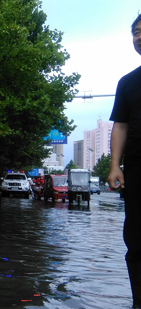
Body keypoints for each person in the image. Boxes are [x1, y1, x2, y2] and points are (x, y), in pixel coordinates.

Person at [108, 14, 141, 308]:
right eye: (135, 32)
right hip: (138, 172)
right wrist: (114, 165)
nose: (139, 37)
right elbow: (120, 125)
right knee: (136, 239)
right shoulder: (128, 82)